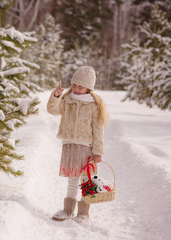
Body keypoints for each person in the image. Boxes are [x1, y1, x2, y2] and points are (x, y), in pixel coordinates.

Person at [47, 66, 109, 221]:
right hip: (70, 145)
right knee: (72, 179)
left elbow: (98, 129)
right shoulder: (67, 100)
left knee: (86, 179)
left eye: (80, 86)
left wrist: (98, 151)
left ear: (88, 88)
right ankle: (67, 210)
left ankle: (83, 213)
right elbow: (52, 110)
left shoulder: (94, 105)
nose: (75, 88)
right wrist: (56, 96)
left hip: (86, 147)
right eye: (74, 84)